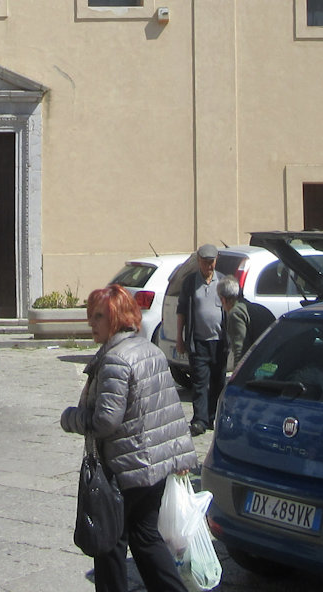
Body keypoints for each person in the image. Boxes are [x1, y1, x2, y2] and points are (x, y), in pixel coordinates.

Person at [61, 284, 195, 592]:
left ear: (116, 318)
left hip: (124, 469)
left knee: (109, 545)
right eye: (90, 316)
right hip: (153, 469)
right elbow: (171, 411)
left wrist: (71, 418)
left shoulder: (116, 360)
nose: (91, 323)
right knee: (146, 538)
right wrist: (181, 458)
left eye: (98, 316)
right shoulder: (150, 350)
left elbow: (105, 421)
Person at [174, 244, 226, 434]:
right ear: (198, 262)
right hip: (198, 342)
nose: (208, 266)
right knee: (200, 383)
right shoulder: (190, 282)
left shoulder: (223, 282)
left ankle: (214, 417)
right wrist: (180, 338)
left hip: (220, 342)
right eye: (205, 263)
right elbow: (181, 312)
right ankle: (200, 420)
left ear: (216, 260)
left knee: (219, 381)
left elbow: (233, 309)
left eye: (211, 262)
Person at [219, 276, 275, 373]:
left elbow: (240, 352)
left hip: (260, 369)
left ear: (223, 299)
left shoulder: (236, 313)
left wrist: (236, 380)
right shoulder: (258, 308)